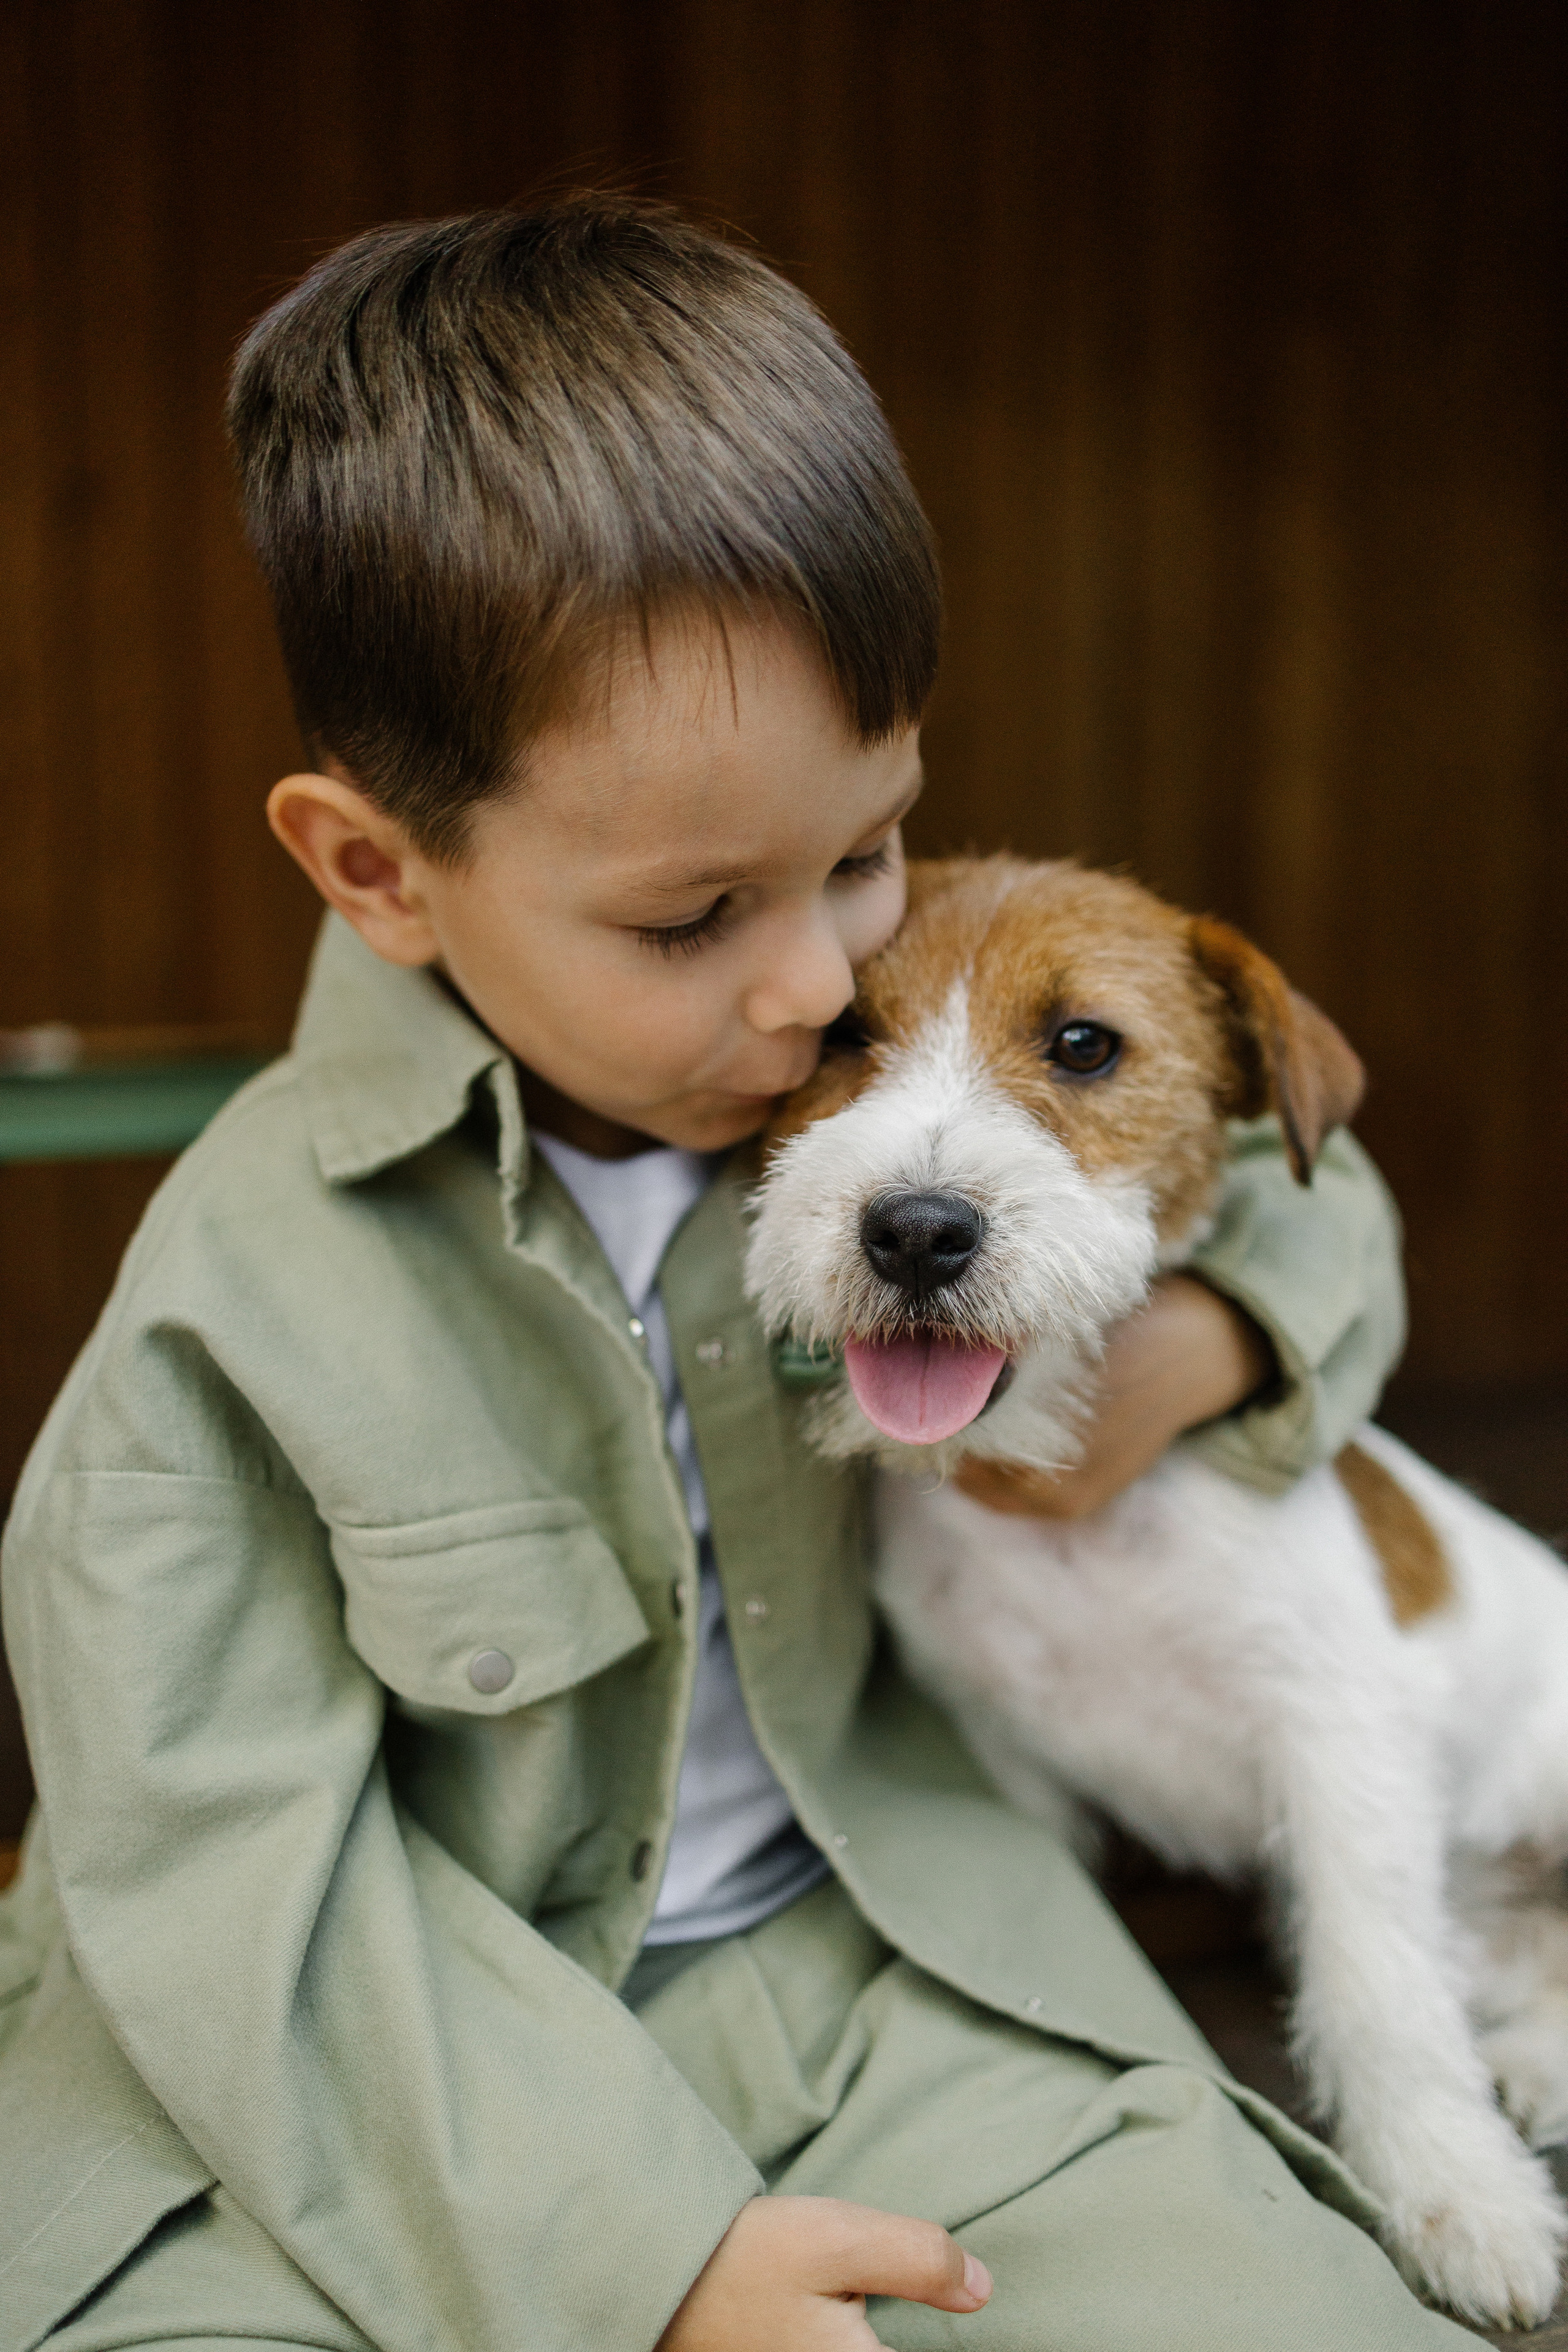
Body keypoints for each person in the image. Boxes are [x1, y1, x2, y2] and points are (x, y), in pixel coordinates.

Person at [0, 200, 1474, 2352]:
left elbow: (1256, 1151)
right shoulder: (232, 1308)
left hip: (886, 1946)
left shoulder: (866, 1094)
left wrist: (1220, 1338)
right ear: (378, 872)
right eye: (696, 918)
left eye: (865, 852)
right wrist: (639, 2256)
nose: (820, 988)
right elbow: (218, 1879)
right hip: (393, 2065)